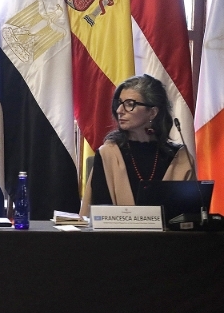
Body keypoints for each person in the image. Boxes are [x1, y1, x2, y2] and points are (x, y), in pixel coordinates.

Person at [80, 75, 193, 216]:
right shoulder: (109, 154)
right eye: (119, 103)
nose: (119, 110)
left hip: (169, 238)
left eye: (129, 104)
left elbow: (188, 217)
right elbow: (99, 215)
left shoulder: (180, 158)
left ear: (152, 112)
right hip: (117, 237)